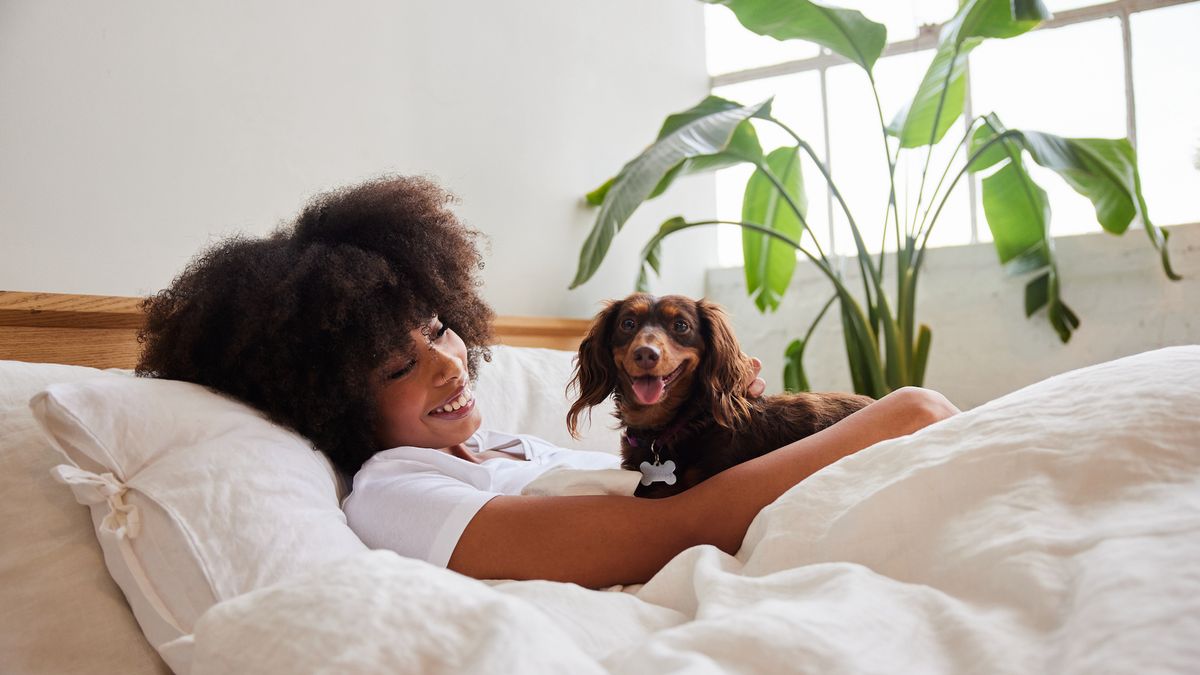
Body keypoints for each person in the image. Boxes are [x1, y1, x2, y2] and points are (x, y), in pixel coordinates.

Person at [137, 176, 960, 589]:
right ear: (330, 399)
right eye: (399, 364)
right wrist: (892, 416)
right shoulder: (395, 490)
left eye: (437, 328)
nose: (451, 362)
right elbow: (668, 529)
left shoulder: (502, 445)